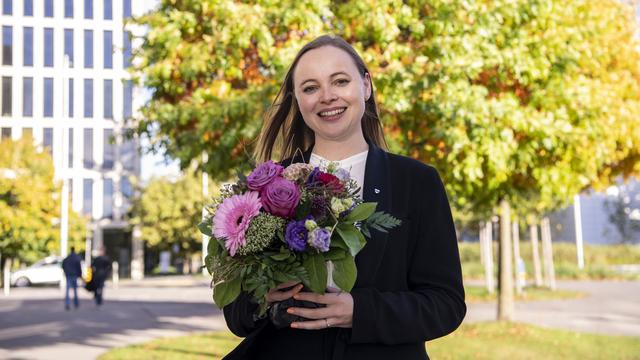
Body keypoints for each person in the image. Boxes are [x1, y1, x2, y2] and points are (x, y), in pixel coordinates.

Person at [223, 34, 466, 360]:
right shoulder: (267, 185)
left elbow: (445, 304)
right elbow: (236, 314)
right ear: (298, 99)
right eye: (310, 87)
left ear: (365, 86)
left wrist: (360, 311)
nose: (326, 96)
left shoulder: (418, 181)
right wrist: (262, 296)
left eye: (339, 81)